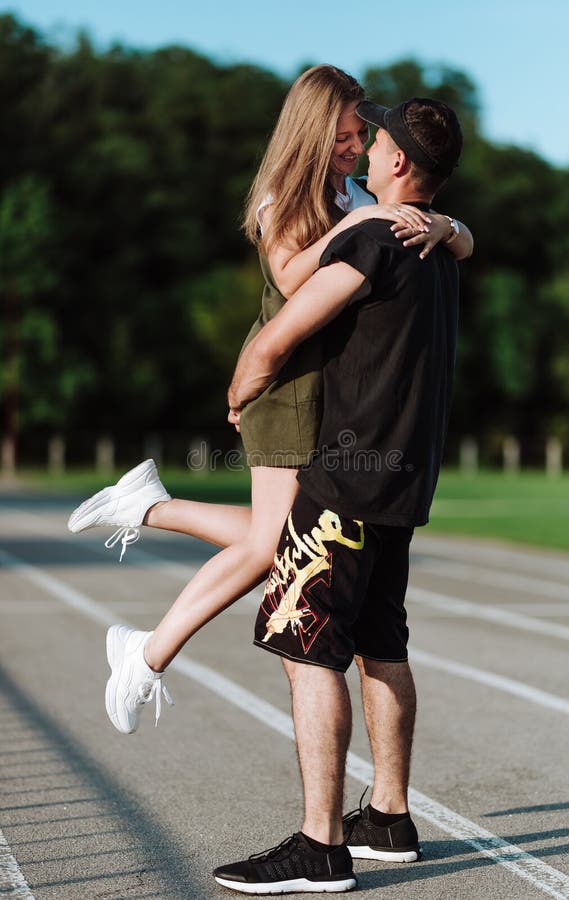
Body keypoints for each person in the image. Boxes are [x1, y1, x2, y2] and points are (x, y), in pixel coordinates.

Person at [68, 67, 472, 735]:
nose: (354, 145)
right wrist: (372, 217)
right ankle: (146, 650)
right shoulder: (285, 195)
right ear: (313, 134)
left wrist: (447, 225)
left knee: (277, 538)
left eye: (359, 135)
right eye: (345, 135)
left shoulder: (347, 190)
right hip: (283, 387)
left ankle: (147, 520)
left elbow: (459, 239)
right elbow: (289, 274)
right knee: (271, 547)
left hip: (325, 388)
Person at [211, 96, 464, 894]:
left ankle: (320, 845)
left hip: (344, 484)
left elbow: (285, 328)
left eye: (377, 139)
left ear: (395, 166)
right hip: (402, 481)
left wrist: (240, 389)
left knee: (305, 649)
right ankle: (387, 816)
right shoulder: (438, 248)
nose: (366, 145)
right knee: (381, 642)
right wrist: (453, 227)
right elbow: (457, 236)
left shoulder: (371, 236)